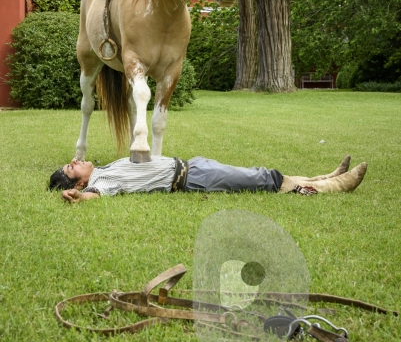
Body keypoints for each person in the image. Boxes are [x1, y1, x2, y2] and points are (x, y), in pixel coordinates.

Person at [48, 154, 367, 203]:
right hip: (192, 179)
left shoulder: (103, 168)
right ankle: (333, 186)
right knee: (260, 179)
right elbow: (96, 196)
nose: (75, 162)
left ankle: (323, 177)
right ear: (77, 183)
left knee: (258, 175)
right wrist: (80, 198)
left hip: (192, 165)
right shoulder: (101, 182)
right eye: (71, 169)